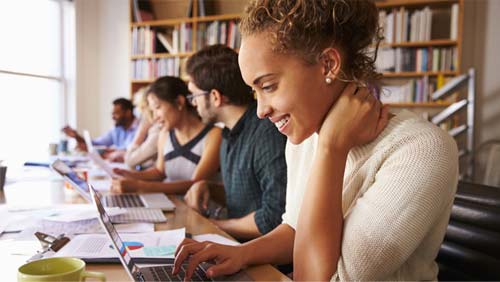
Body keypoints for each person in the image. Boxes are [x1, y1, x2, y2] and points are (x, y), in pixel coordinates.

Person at [173, 0, 459, 281]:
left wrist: (331, 149)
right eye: (255, 92)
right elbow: (296, 230)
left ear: (328, 65)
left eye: (269, 86)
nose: (260, 111)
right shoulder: (305, 134)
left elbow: (319, 278)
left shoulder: (420, 149)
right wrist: (240, 254)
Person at [182, 44, 287, 240]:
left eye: (194, 96)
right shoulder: (227, 133)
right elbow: (249, 195)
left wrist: (214, 226)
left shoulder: (267, 133)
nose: (193, 103)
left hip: (265, 261)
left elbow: (275, 217)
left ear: (215, 97)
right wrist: (210, 188)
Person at [111, 76, 222, 195]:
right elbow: (160, 172)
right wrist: (129, 175)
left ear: (179, 102)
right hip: (172, 205)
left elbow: (194, 184)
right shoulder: (165, 134)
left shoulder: (214, 135)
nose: (155, 117)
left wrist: (141, 186)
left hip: (198, 211)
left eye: (157, 108)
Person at [62, 98, 139, 161]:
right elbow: (96, 144)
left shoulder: (139, 128)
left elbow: (129, 152)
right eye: (112, 114)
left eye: (116, 114)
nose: (113, 117)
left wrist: (104, 151)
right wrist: (76, 136)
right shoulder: (117, 129)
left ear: (128, 113)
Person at [124, 87, 160, 169]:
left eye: (141, 107)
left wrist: (141, 131)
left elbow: (130, 160)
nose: (138, 111)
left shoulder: (157, 130)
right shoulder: (152, 128)